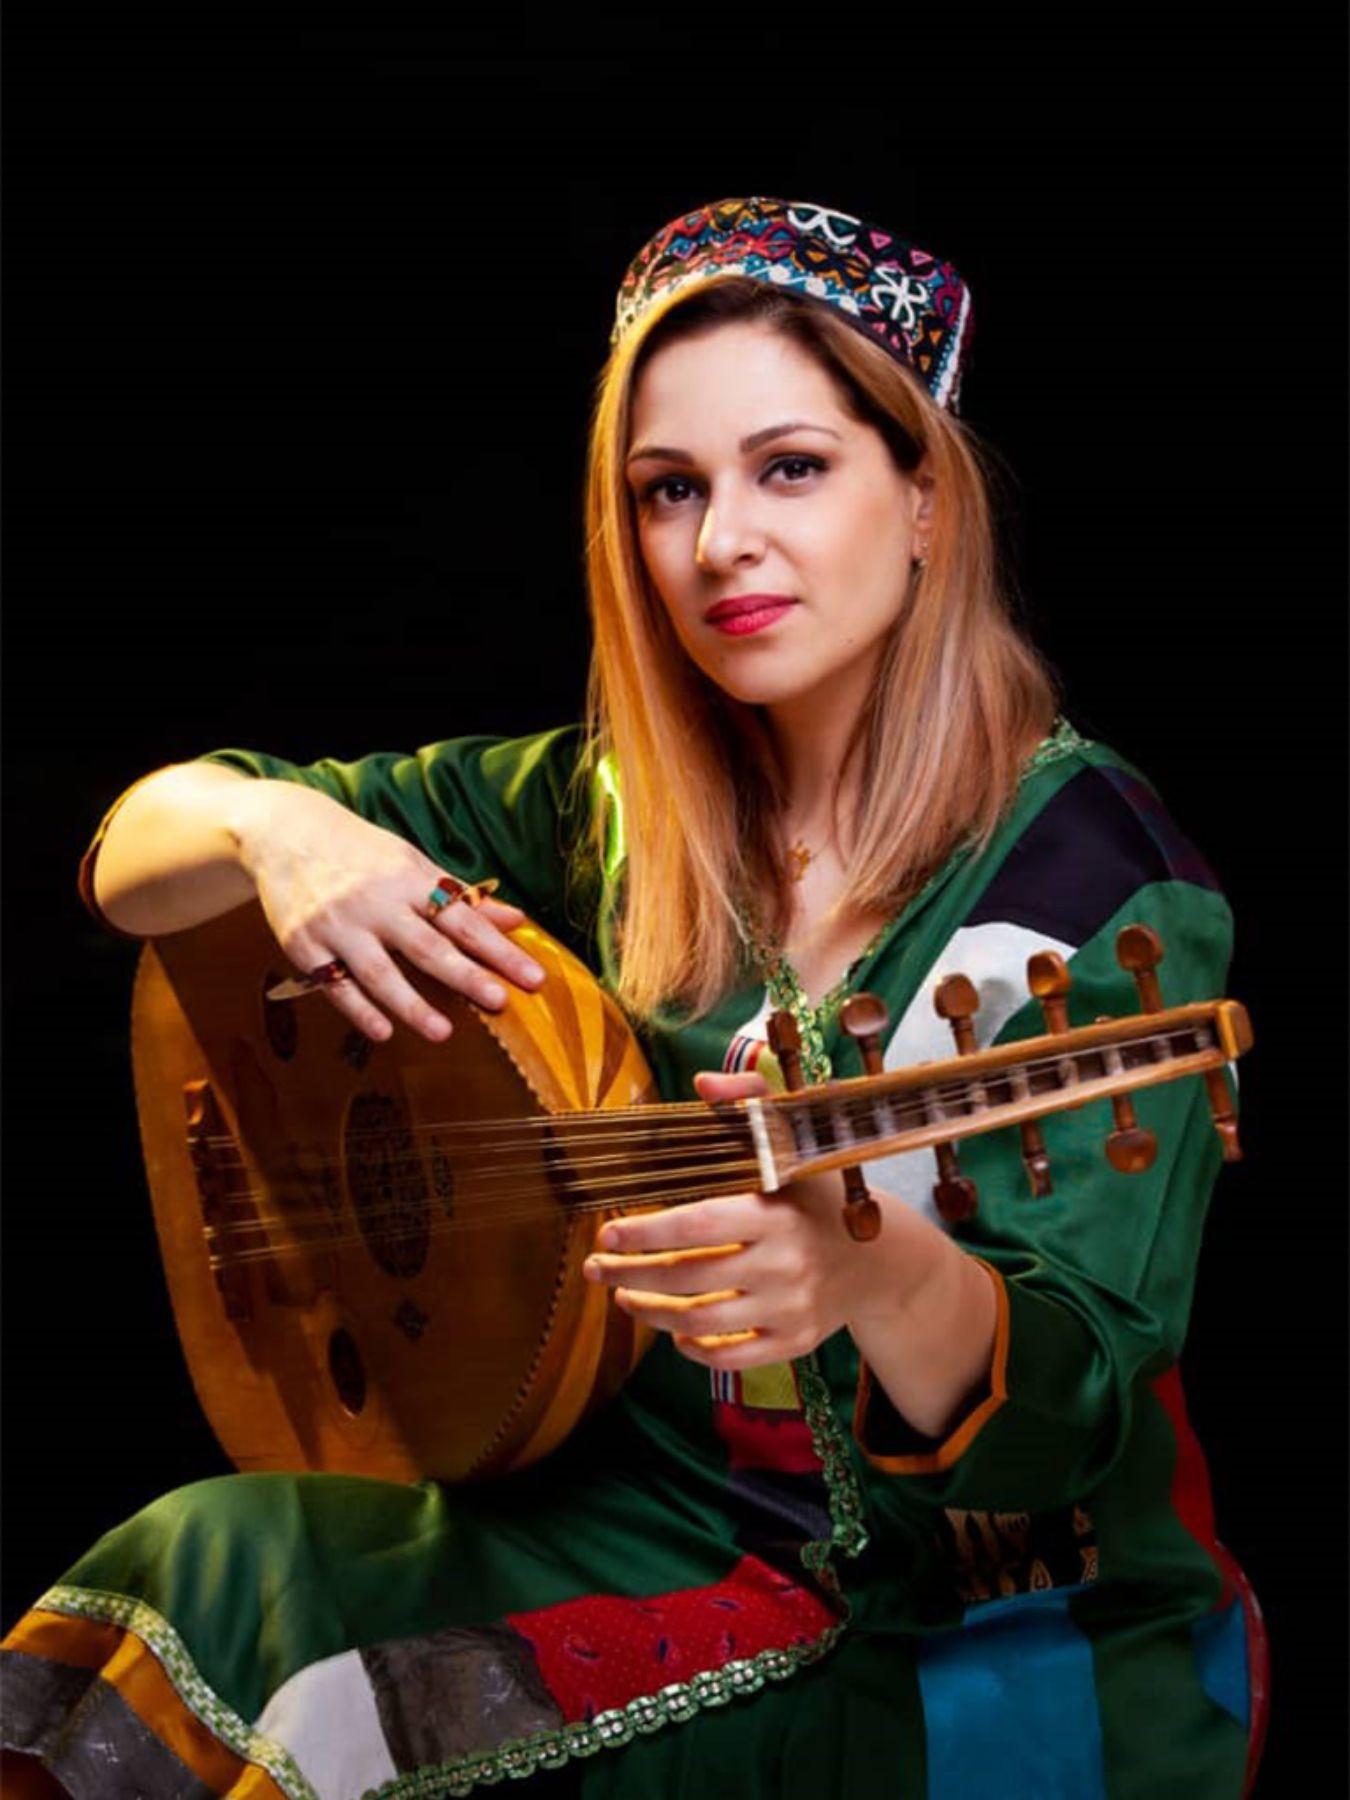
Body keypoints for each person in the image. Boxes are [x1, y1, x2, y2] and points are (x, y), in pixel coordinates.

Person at [1, 196, 1265, 1798]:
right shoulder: (610, 807)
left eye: (788, 468)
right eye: (667, 491)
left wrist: (869, 1277)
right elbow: (140, 856)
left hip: (976, 1617)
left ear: (926, 493)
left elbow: (1063, 1409)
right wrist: (281, 830)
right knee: (207, 1566)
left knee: (322, 1704)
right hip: (634, 1517)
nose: (719, 540)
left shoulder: (1095, 885)